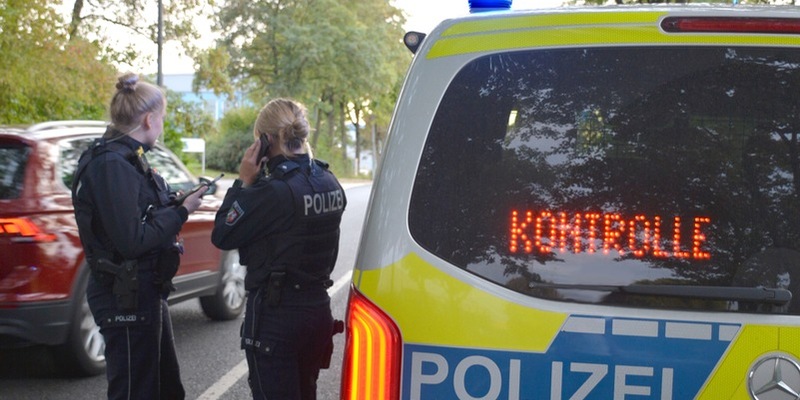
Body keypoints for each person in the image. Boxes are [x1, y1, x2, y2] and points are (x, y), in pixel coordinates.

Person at [71, 72, 207, 400]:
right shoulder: (112, 164)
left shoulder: (127, 158)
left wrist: (174, 202)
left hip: (144, 289)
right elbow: (131, 240)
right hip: (124, 294)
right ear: (148, 119)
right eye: (161, 118)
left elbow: (136, 214)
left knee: (165, 388)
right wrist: (181, 211)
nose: (161, 124)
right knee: (136, 391)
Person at [211, 98, 346, 400]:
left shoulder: (273, 192)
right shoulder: (330, 181)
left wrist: (245, 181)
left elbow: (223, 234)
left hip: (278, 318)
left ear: (264, 140)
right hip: (317, 312)